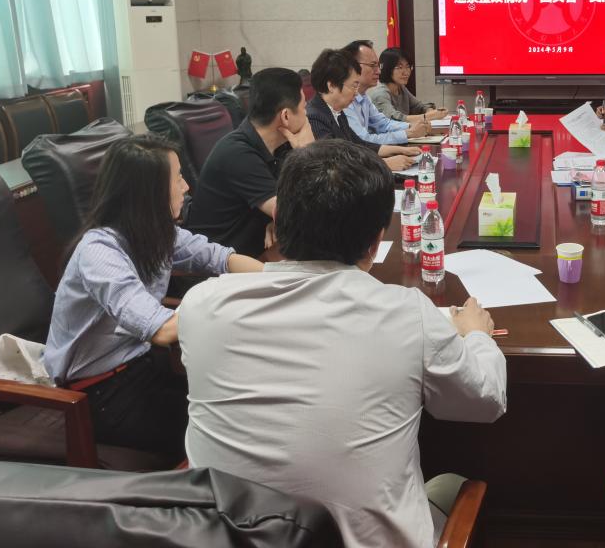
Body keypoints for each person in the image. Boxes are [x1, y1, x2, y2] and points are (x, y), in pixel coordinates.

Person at [179, 139, 507, 547]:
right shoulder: (405, 315)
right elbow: (485, 401)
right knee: (451, 484)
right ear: (375, 241)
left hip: (223, 537)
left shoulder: (202, 305)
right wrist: (476, 335)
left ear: (278, 223)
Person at [44, 136, 262, 462]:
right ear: (151, 192)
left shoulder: (155, 232)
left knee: (244, 401)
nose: (187, 186)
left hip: (145, 369)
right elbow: (161, 330)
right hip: (101, 394)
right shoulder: (100, 252)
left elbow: (221, 258)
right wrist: (227, 303)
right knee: (227, 430)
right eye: (178, 178)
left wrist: (280, 278)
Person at [187, 67, 315, 257]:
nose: (307, 115)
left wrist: (276, 218)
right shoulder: (237, 153)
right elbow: (307, 216)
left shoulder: (281, 145)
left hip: (255, 252)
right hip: (217, 265)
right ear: (286, 116)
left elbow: (293, 208)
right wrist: (309, 153)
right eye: (304, 107)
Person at [307, 48, 421, 172]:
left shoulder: (337, 111)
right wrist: (385, 164)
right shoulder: (315, 117)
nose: (356, 93)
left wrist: (400, 150)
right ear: (332, 86)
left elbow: (359, 144)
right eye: (354, 86)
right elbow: (334, 163)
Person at [342, 40, 430, 144]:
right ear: (353, 66)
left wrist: (411, 126)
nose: (378, 71)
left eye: (378, 66)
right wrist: (408, 133)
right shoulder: (344, 100)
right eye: (372, 65)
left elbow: (383, 124)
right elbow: (363, 140)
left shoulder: (364, 97)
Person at [368, 48, 449, 125]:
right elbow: (394, 118)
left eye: (408, 67)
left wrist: (430, 111)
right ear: (387, 69)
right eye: (400, 67)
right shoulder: (380, 94)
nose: (406, 72)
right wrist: (427, 116)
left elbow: (419, 107)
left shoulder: (401, 88)